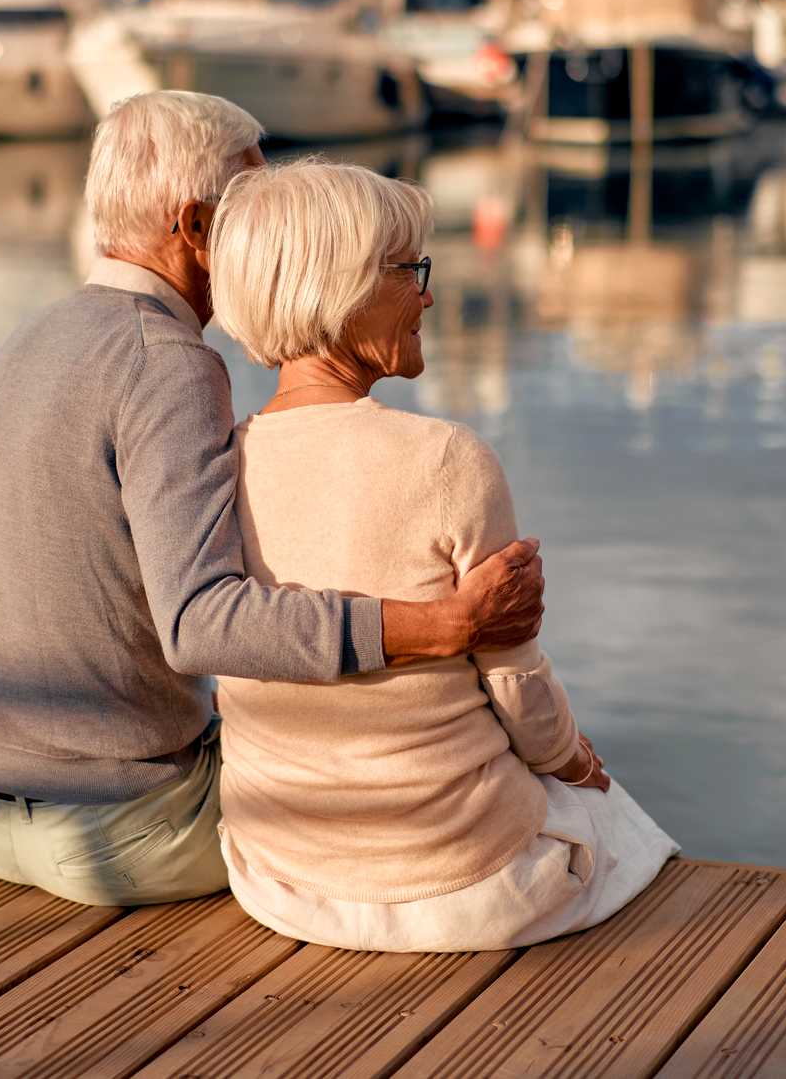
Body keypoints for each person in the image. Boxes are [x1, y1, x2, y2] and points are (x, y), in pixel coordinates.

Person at [0, 92, 548, 908]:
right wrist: (443, 626)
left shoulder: (27, 341)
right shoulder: (164, 362)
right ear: (194, 227)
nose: (269, 231)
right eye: (249, 206)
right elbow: (199, 625)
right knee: (408, 770)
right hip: (122, 828)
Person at [207, 158, 678, 952]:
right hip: (461, 884)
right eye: (408, 270)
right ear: (344, 285)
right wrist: (572, 758)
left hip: (278, 873)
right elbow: (518, 685)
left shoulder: (220, 462)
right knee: (605, 811)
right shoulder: (447, 459)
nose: (427, 293)